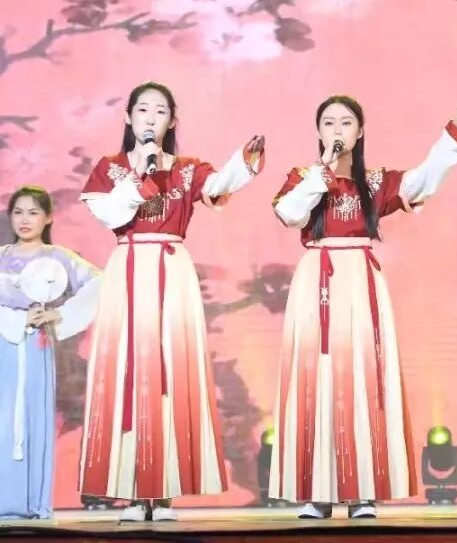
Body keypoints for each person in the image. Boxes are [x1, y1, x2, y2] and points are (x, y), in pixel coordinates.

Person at [270, 94, 457, 519]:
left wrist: (450, 139)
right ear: (318, 132)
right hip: (317, 278)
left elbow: (420, 182)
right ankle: (317, 492)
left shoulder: (376, 182)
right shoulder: (303, 177)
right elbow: (289, 213)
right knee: (318, 378)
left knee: (363, 379)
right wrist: (322, 171)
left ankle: (362, 490)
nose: (338, 130)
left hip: (361, 279)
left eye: (346, 122)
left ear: (360, 131)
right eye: (329, 123)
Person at [78, 81, 265, 522]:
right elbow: (111, 214)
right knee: (129, 372)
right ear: (128, 117)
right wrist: (141, 173)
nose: (150, 118)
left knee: (171, 373)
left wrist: (243, 163)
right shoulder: (110, 168)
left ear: (172, 121)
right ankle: (130, 489)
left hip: (172, 268)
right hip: (129, 267)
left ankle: (163, 492)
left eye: (160, 111)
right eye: (142, 109)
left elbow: (219, 184)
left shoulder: (186, 169)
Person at [0, 186, 99, 519]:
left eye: (33, 212)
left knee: (32, 419)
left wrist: (60, 314)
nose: (25, 220)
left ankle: (32, 503)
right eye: (18, 212)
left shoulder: (59, 257)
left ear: (48, 217)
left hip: (35, 346)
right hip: (2, 344)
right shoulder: (1, 256)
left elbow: (99, 283)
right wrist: (15, 318)